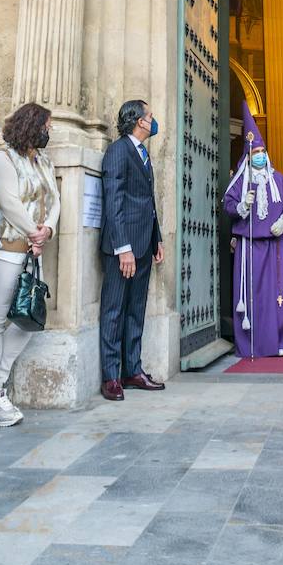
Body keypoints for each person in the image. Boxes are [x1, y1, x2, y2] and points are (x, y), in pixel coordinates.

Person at [0, 101, 61, 427]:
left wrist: (47, 230)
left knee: (28, 320)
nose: (48, 132)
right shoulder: (1, 158)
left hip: (31, 251)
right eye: (46, 126)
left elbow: (54, 199)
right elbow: (9, 201)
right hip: (7, 250)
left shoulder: (43, 161)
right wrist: (32, 232)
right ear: (31, 125)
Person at [223, 103, 283, 360]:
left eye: (262, 151)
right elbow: (228, 205)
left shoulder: (278, 178)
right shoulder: (240, 180)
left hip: (277, 245)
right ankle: (255, 344)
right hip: (249, 246)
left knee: (282, 294)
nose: (260, 155)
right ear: (248, 155)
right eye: (255, 151)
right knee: (254, 295)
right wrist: (242, 206)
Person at [98, 100, 165, 400]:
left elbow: (147, 202)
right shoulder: (117, 151)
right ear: (139, 121)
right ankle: (111, 377)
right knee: (114, 310)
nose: (153, 120)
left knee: (136, 310)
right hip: (123, 248)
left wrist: (157, 239)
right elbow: (113, 202)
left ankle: (132, 370)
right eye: (150, 116)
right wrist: (122, 248)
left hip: (143, 244)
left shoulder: (143, 153)